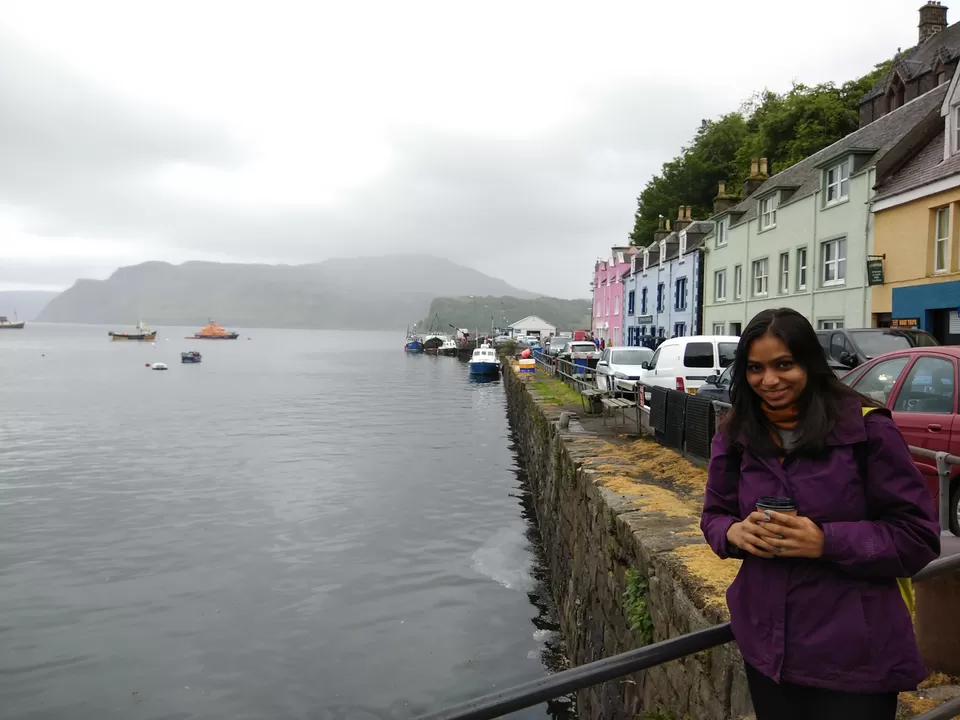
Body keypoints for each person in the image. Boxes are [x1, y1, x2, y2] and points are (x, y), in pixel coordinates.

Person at [700, 308, 939, 720]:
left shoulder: (867, 430)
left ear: (809, 362)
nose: (769, 380)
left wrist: (825, 541)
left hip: (854, 656)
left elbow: (917, 537)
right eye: (755, 368)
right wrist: (733, 533)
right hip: (767, 650)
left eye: (784, 364)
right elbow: (714, 515)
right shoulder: (737, 432)